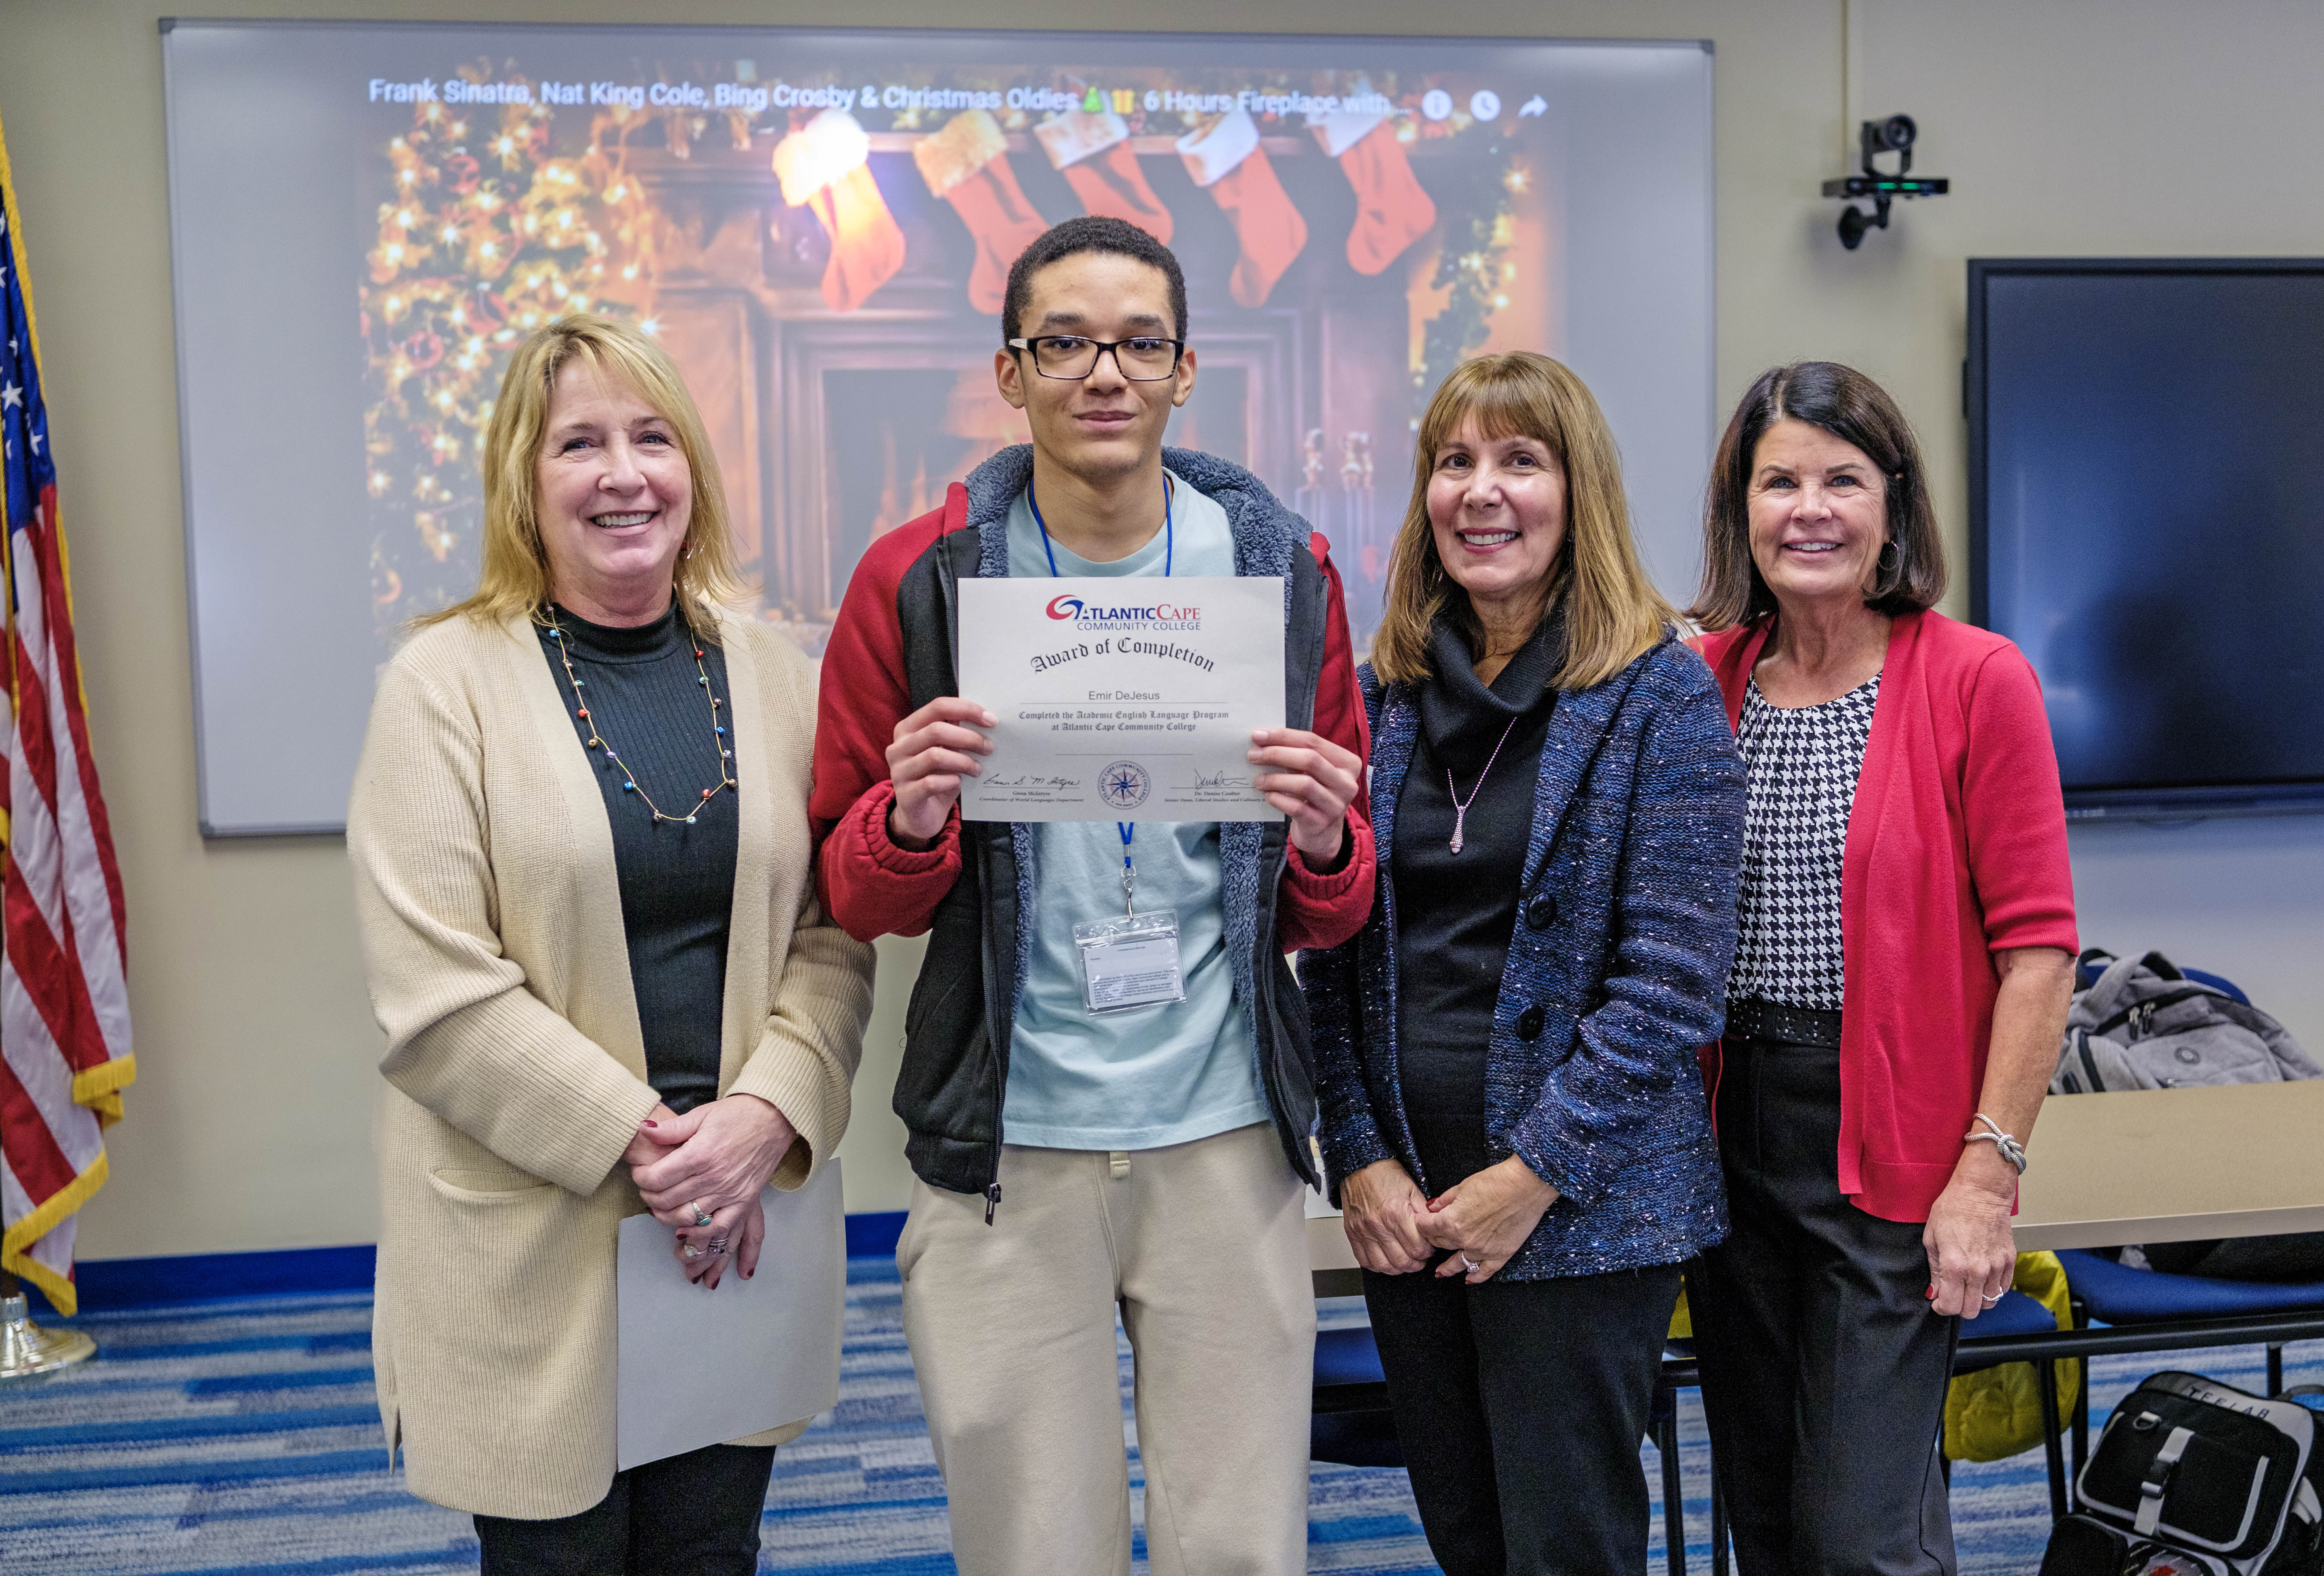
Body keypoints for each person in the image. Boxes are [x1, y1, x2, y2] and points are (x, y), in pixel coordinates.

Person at [810, 215, 1375, 1576]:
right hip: (1007, 1143)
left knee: (1239, 1545)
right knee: (1029, 1549)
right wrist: (915, 814)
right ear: (1011, 373)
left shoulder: (1282, 573)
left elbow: (1335, 902)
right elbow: (851, 888)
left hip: (1224, 1133)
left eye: (1138, 343)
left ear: (1188, 369)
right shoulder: (917, 580)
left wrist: (1320, 843)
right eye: (1064, 342)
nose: (1103, 372)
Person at [348, 315, 874, 1576]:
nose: (624, 474)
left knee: (712, 1551)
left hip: (736, 1221)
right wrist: (656, 1152)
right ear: (525, 484)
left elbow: (831, 935)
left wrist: (759, 1124)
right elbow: (437, 995)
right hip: (547, 1228)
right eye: (579, 444)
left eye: (652, 437)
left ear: (693, 466)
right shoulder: (439, 683)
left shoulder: (775, 671)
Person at [1300, 352, 1745, 1576]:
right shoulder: (1381, 694)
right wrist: (1363, 1158)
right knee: (1467, 1530)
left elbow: (1672, 985)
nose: (1481, 492)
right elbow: (1329, 955)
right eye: (1455, 462)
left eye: (1519, 461)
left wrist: (1534, 1173)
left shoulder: (1660, 695)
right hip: (1408, 1202)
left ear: (1578, 492)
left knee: (1569, 1544)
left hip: (1584, 1201)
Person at [1682, 361, 2078, 1576]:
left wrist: (1986, 1175)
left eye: (1843, 480)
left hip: (1893, 1147)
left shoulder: (1975, 679)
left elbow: (2041, 954)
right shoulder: (1707, 683)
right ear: (1740, 512)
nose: (1811, 509)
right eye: (1779, 481)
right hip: (1725, 1138)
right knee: (1770, 1515)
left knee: (1865, 1536)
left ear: (1893, 507)